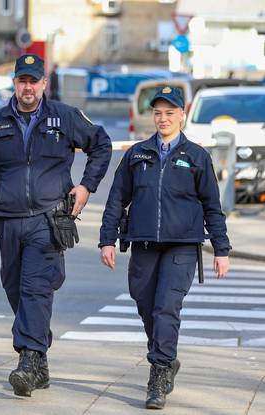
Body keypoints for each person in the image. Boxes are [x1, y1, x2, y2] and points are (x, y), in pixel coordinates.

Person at [0, 54, 112, 397]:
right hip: (9, 221)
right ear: (15, 84)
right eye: (22, 81)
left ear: (44, 84)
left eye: (34, 81)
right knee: (14, 287)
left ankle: (27, 361)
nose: (28, 87)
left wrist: (86, 187)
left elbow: (101, 145)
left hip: (48, 218)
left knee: (35, 288)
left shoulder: (64, 117)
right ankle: (39, 359)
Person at [99, 86, 231, 409]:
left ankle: (158, 373)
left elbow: (212, 205)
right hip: (143, 244)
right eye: (158, 113)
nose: (162, 119)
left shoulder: (197, 157)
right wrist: (107, 239)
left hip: (182, 246)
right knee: (146, 305)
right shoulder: (137, 154)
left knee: (165, 307)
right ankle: (167, 358)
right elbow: (117, 198)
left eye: (169, 113)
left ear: (182, 116)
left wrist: (222, 248)